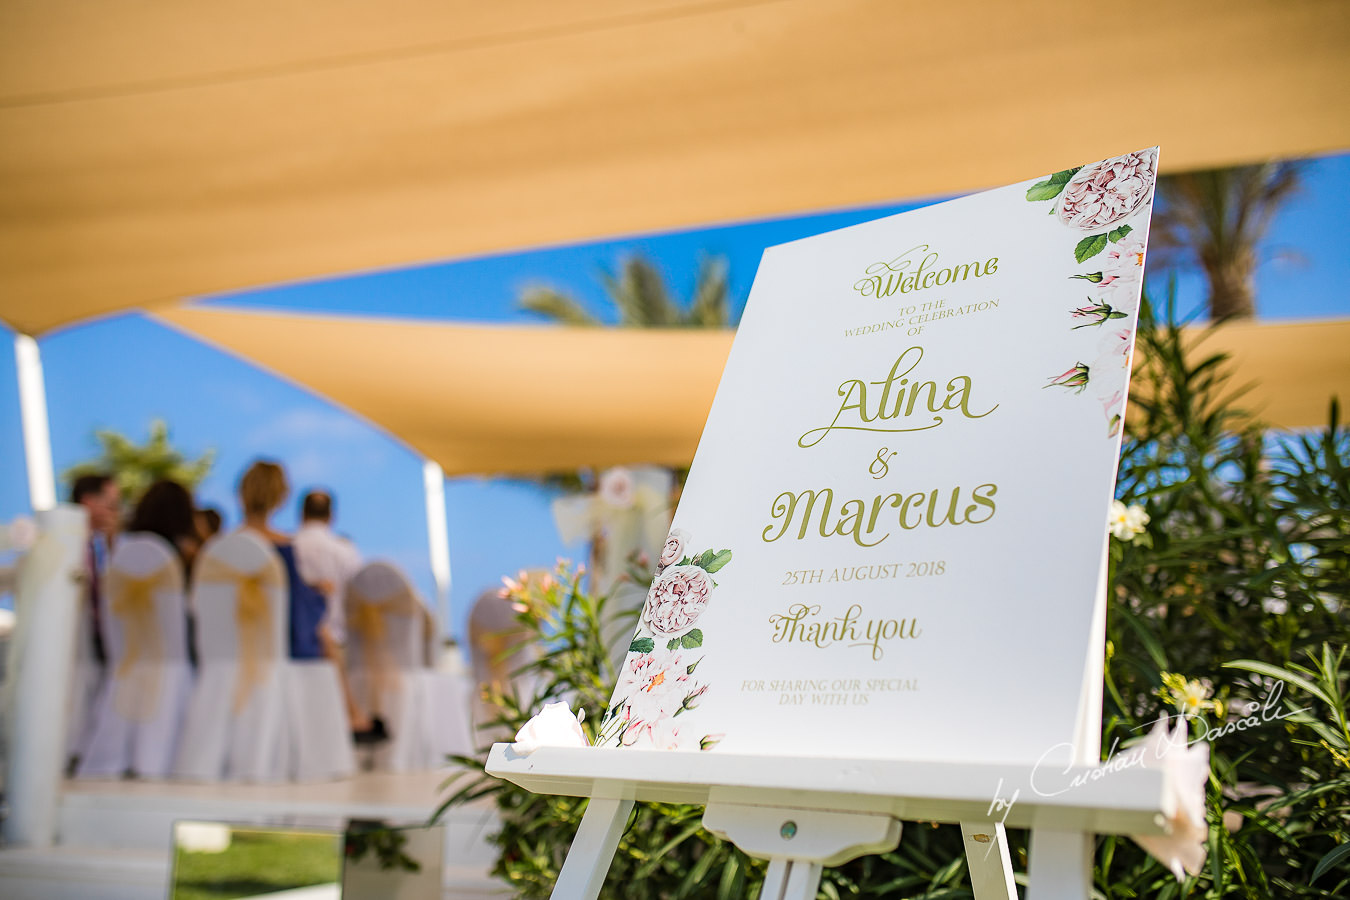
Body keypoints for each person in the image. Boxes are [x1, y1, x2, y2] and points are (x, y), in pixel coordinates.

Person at [236, 461, 380, 739]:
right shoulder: (283, 547)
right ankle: (352, 716)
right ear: (281, 496)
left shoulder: (220, 548)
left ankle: (354, 715)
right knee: (323, 631)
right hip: (277, 642)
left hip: (231, 641)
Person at [292, 490, 361, 649]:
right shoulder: (346, 551)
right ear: (331, 516)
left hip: (296, 645)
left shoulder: (289, 547)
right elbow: (357, 597)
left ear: (302, 514)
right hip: (338, 642)